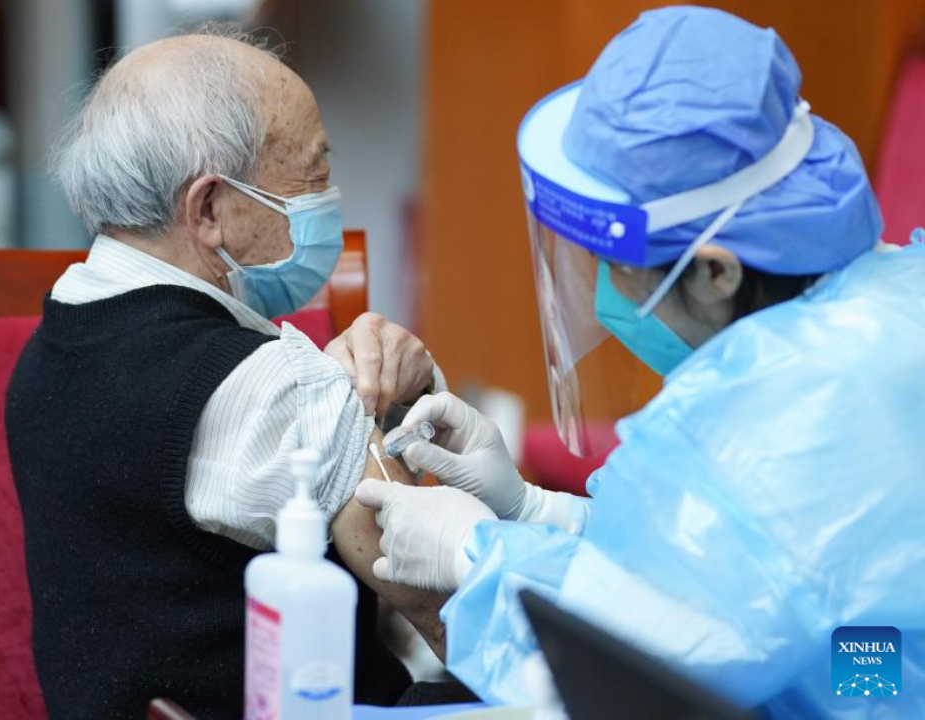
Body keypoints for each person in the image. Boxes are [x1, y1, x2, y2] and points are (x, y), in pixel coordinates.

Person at [355, 7, 925, 717]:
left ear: (715, 271)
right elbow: (735, 578)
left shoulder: (789, 419)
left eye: (617, 265)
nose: (602, 295)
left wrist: (472, 555)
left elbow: (613, 682)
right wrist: (538, 512)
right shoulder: (882, 304)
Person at [5, 28, 447, 718]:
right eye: (313, 174)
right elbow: (461, 618)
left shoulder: (53, 341)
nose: (328, 196)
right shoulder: (277, 389)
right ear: (209, 209)